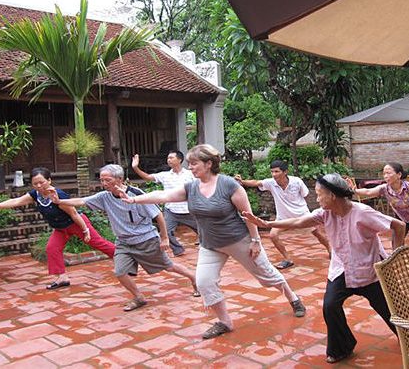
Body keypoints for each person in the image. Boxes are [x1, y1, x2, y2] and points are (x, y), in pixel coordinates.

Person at [120, 144, 306, 339]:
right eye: (190, 164)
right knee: (204, 282)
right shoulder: (191, 187)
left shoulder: (228, 185)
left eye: (194, 163)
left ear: (208, 164)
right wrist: (134, 200)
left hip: (238, 240)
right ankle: (224, 322)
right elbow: (164, 195)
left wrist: (255, 241)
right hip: (210, 244)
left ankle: (293, 298)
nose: (190, 167)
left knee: (267, 275)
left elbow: (248, 215)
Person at [242, 173, 405, 364]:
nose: (317, 199)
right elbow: (299, 221)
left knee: (389, 308)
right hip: (342, 269)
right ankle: (342, 347)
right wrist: (268, 224)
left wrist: (396, 255)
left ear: (333, 196)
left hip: (369, 270)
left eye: (320, 194)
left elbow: (399, 226)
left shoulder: (362, 212)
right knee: (330, 305)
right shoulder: (324, 213)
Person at [48, 164, 199, 312]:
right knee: (120, 272)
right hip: (123, 242)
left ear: (119, 179)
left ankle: (193, 277)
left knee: (168, 266)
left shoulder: (136, 194)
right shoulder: (104, 197)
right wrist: (59, 202)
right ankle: (138, 297)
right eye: (102, 180)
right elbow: (82, 201)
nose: (104, 184)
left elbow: (158, 215)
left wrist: (164, 237)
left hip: (145, 240)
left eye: (108, 180)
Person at [0, 167, 115, 290]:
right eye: (35, 184)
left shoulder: (58, 195)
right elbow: (16, 201)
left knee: (98, 243)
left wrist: (85, 231)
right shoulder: (36, 194)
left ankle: (125, 258)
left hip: (76, 224)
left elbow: (74, 213)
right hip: (60, 228)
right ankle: (62, 277)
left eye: (42, 182)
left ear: (49, 180)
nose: (39, 186)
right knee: (52, 248)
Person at [235, 160, 330, 269]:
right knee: (273, 235)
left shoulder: (297, 181)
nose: (274, 174)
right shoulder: (271, 183)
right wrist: (242, 181)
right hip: (283, 218)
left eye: (276, 171)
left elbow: (306, 195)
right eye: (272, 172)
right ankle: (287, 259)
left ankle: (330, 249)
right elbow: (257, 182)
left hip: (301, 215)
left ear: (285, 172)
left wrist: (305, 210)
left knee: (317, 233)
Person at [349, 162, 409, 249]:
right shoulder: (384, 189)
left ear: (399, 174)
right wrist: (354, 190)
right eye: (384, 174)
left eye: (388, 173)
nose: (385, 176)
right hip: (402, 219)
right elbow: (368, 191)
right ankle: (397, 262)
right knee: (396, 244)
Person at [132, 150, 198, 256]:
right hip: (171, 210)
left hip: (189, 210)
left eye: (171, 157)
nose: (169, 160)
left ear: (180, 160)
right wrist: (135, 168)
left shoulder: (190, 174)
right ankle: (178, 250)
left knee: (204, 230)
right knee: (165, 231)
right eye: (168, 158)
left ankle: (211, 247)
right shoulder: (165, 175)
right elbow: (148, 177)